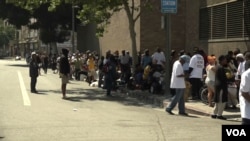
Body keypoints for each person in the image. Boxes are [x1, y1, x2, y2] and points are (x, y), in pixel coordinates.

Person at [211, 55, 228, 120]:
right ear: (221, 60)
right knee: (221, 101)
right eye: (224, 60)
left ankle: (214, 113)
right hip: (221, 86)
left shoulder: (218, 67)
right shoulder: (221, 68)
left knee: (217, 101)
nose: (226, 61)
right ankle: (219, 114)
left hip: (217, 86)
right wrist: (229, 78)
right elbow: (223, 78)